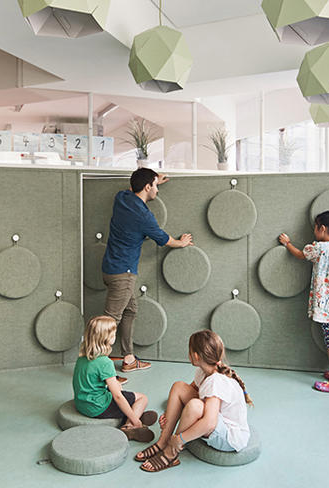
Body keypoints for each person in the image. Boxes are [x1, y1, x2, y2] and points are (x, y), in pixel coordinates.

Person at [102, 168, 193, 375]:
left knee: (130, 310)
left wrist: (153, 180)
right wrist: (181, 242)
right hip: (123, 273)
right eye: (155, 186)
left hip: (110, 269)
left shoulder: (121, 198)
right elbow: (164, 239)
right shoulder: (144, 217)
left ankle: (128, 359)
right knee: (109, 322)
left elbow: (132, 188)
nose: (157, 190)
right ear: (147, 187)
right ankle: (97, 371)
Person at [135, 330, 252, 472]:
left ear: (196, 356)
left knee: (195, 406)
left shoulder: (216, 381)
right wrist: (168, 415)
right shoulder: (204, 371)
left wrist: (180, 439)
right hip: (217, 420)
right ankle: (163, 442)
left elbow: (210, 423)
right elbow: (185, 393)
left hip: (229, 437)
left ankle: (171, 452)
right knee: (178, 386)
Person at [278, 210, 329, 395]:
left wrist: (287, 243)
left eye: (315, 227)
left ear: (322, 229)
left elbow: (300, 254)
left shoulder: (320, 248)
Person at [72, 315, 158, 442]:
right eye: (113, 334)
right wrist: (136, 420)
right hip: (98, 407)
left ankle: (130, 416)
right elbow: (117, 396)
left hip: (82, 404)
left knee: (117, 386)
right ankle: (130, 426)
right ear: (106, 338)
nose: (115, 336)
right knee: (142, 398)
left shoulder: (82, 357)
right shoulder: (105, 362)